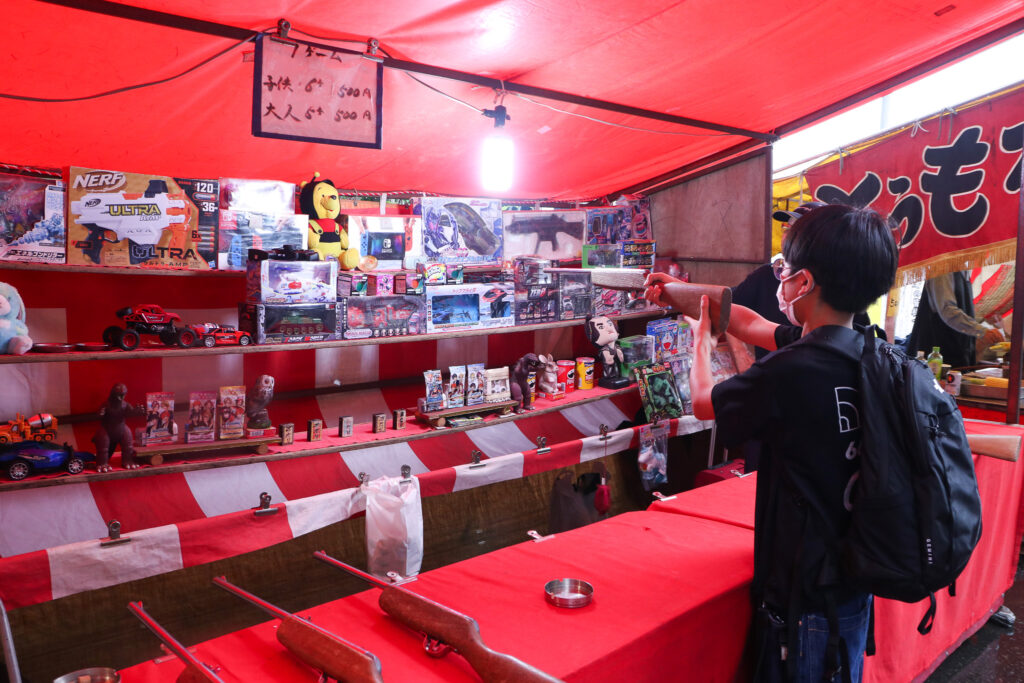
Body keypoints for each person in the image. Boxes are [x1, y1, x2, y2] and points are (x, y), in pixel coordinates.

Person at [645, 203, 899, 682]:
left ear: (803, 283)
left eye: (784, 270)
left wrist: (700, 342)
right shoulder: (869, 346)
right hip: (855, 571)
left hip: (802, 589)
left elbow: (703, 402)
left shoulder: (790, 370)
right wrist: (681, 294)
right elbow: (746, 321)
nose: (777, 279)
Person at [906, 270, 1004, 368]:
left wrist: (984, 318)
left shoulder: (964, 272)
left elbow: (961, 310)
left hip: (956, 355)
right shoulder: (944, 269)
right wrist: (981, 331)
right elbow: (947, 310)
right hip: (936, 356)